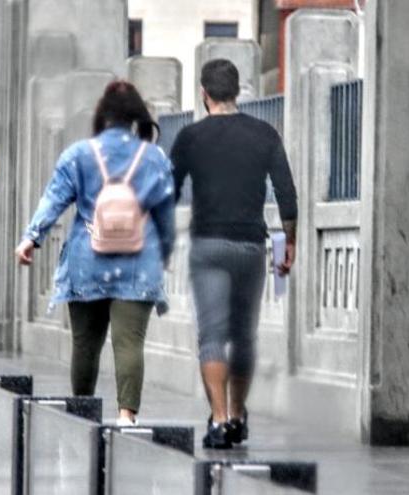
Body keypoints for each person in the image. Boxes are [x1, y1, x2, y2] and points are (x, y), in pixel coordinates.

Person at [15, 81, 175, 426]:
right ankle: (126, 415)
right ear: (136, 117)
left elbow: (53, 200)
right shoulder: (154, 157)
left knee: (85, 344)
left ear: (102, 115)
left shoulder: (78, 154)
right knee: (129, 342)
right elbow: (166, 211)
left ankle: (82, 411)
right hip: (138, 261)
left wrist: (31, 237)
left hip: (88, 259)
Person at [170, 59, 298, 449]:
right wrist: (289, 242)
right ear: (238, 91)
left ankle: (219, 419)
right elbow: (287, 193)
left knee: (211, 335)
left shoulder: (191, 137)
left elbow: (170, 192)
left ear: (204, 94)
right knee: (244, 336)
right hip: (249, 245)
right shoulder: (264, 134)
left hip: (208, 244)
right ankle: (239, 415)